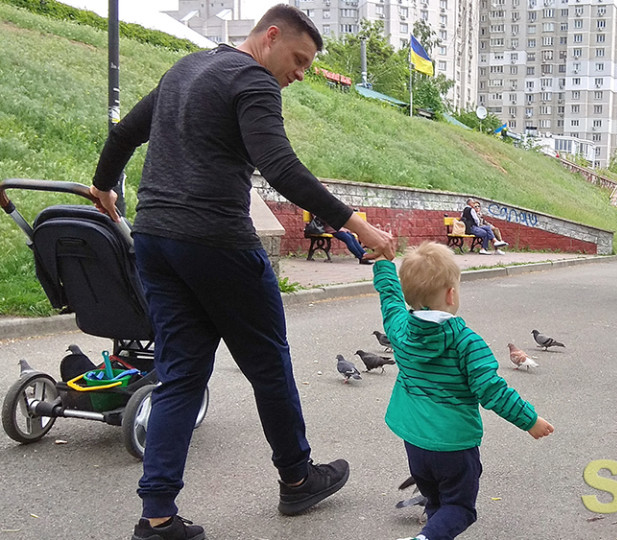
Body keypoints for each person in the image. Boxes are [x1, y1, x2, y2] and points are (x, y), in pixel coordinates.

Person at [89, 6, 395, 539]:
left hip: (157, 240)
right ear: (270, 36)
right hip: (217, 244)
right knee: (269, 366)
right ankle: (297, 480)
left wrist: (105, 185)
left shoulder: (183, 69)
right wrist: (358, 225)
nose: (300, 74)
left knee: (180, 377)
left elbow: (124, 135)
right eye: (298, 60)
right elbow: (279, 166)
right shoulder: (254, 80)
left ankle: (156, 516)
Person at [370, 242, 554, 540]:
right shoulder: (468, 343)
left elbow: (389, 298)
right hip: (454, 446)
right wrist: (529, 419)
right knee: (459, 508)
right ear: (451, 293)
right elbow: (492, 390)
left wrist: (382, 264)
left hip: (415, 443)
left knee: (436, 503)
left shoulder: (400, 328)